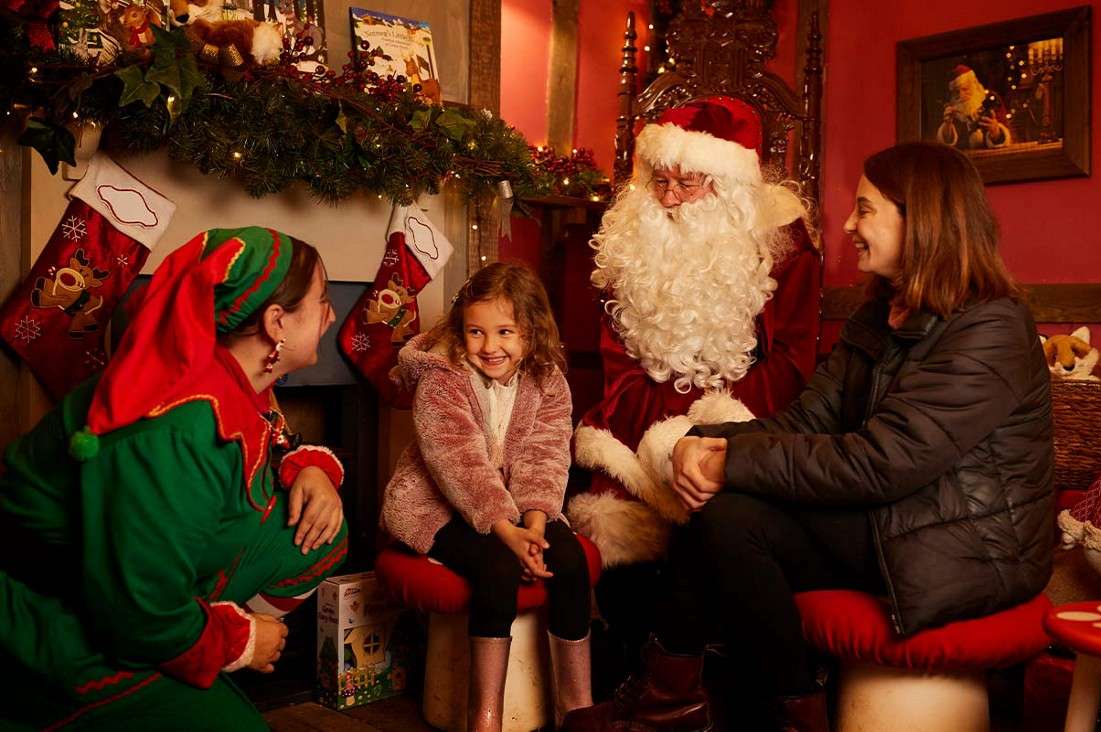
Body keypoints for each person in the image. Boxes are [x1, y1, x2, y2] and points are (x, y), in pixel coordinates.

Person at [565, 142, 1054, 731]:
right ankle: (683, 702)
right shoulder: (881, 314)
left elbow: (885, 461)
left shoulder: (991, 325)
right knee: (722, 512)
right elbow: (806, 419)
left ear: (919, 218)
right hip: (900, 517)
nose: (847, 225)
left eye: (865, 210)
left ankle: (750, 710)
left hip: (967, 544)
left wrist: (731, 462)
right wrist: (702, 441)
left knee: (730, 516)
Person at [0, 227, 348, 729]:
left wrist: (309, 465)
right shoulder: (178, 427)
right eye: (322, 300)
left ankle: (194, 648)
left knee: (319, 534)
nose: (332, 314)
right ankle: (192, 651)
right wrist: (242, 641)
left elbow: (272, 437)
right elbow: (136, 610)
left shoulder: (229, 374)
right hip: (57, 620)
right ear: (277, 323)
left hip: (135, 587)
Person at [565, 96, 821, 665]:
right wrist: (662, 437)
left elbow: (793, 365)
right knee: (616, 548)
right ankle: (649, 684)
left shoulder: (785, 249)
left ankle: (690, 687)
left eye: (689, 183)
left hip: (740, 427)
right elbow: (619, 370)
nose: (669, 197)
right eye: (660, 180)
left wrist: (704, 435)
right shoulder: (631, 250)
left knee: (715, 525)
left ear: (730, 190)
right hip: (636, 426)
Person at [380, 262, 591, 730]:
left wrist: (534, 525)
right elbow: (458, 464)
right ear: (461, 330)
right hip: (438, 505)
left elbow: (547, 453)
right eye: (476, 332)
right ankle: (485, 717)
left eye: (504, 332)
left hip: (517, 504)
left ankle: (576, 708)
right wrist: (506, 532)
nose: (490, 346)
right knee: (497, 565)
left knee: (569, 560)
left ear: (531, 332)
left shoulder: (548, 380)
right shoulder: (442, 377)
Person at [936, 64, 1012, 149]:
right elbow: (947, 146)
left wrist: (996, 131)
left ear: (974, 85)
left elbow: (1005, 138)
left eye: (965, 89)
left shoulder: (990, 100)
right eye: (956, 92)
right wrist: (947, 126)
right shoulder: (950, 111)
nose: (961, 95)